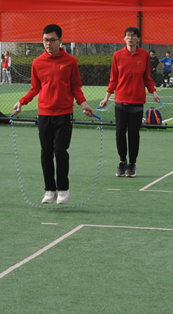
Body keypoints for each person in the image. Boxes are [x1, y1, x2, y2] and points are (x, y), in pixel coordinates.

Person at [13, 24, 95, 204]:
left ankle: (63, 189)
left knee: (60, 151)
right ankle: (49, 190)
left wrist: (83, 103)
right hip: (44, 114)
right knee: (46, 152)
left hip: (64, 114)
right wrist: (22, 102)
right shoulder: (37, 63)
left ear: (60, 40)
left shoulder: (70, 61)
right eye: (45, 40)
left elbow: (76, 87)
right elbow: (35, 88)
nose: (48, 44)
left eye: (52, 40)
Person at [98, 26, 161, 178]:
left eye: (133, 35)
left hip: (137, 101)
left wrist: (153, 92)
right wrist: (107, 97)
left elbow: (147, 77)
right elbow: (113, 78)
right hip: (120, 100)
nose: (130, 38)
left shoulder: (144, 55)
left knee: (133, 133)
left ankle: (132, 164)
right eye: (128, 35)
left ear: (138, 38)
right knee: (120, 132)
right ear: (124, 38)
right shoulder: (118, 55)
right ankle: (122, 161)